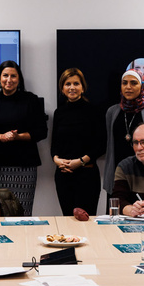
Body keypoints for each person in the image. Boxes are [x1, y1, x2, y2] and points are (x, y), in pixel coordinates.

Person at [0, 61, 46, 215]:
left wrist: (18, 137)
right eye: (5, 75)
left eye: (13, 76)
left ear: (19, 79)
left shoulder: (31, 100)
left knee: (21, 213)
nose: (9, 79)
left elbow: (41, 132)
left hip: (23, 168)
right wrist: (0, 137)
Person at [50, 68, 106, 216]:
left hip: (87, 175)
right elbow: (54, 145)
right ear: (62, 88)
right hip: (63, 175)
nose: (72, 87)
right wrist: (57, 160)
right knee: (68, 220)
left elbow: (101, 145)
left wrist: (79, 162)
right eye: (68, 84)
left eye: (76, 83)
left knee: (86, 221)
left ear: (83, 87)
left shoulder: (94, 111)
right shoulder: (59, 112)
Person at [103, 69, 144, 197]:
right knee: (116, 214)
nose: (128, 87)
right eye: (124, 83)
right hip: (117, 174)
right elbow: (109, 144)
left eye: (133, 83)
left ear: (142, 86)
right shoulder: (112, 112)